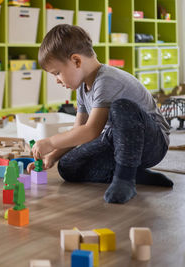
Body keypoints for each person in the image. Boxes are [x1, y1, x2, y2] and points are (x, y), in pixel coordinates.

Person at [27, 24, 173, 204]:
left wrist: (50, 142)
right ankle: (136, 175)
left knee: (121, 107)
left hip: (152, 142)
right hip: (118, 142)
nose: (57, 80)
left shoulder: (107, 80)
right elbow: (79, 131)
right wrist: (53, 157)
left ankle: (125, 180)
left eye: (57, 73)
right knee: (68, 167)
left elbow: (91, 131)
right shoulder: (81, 88)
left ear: (76, 61)